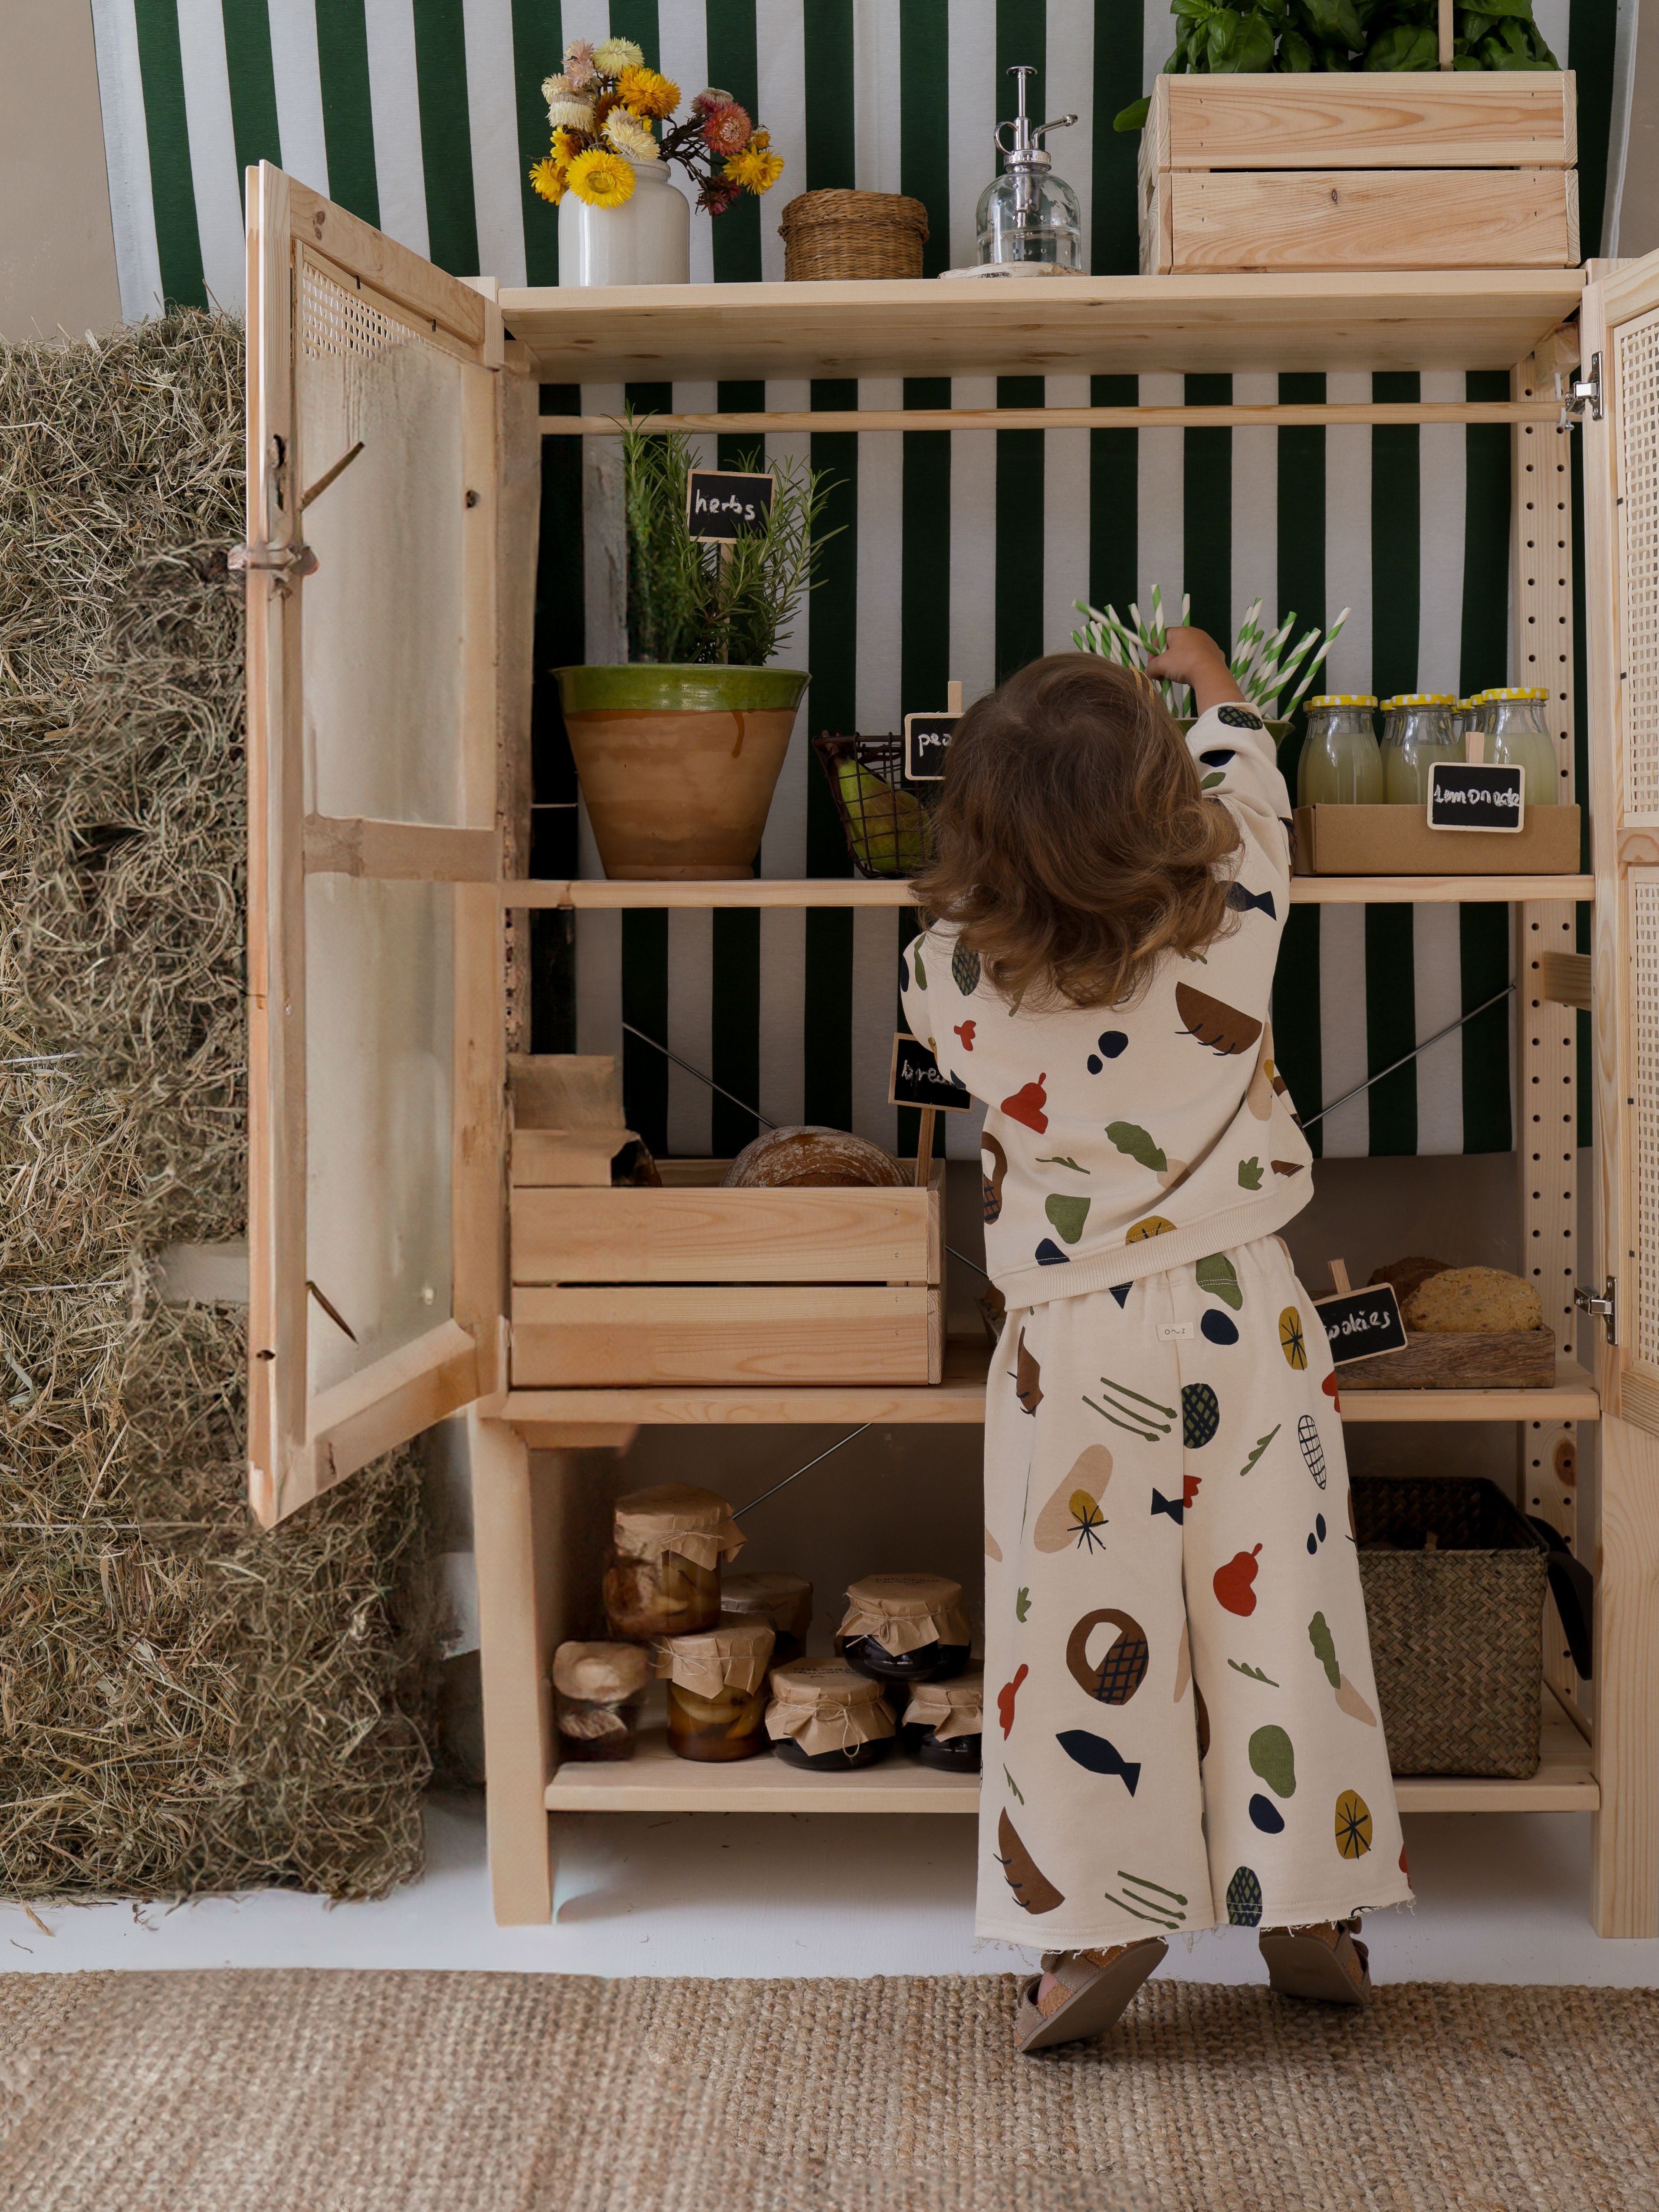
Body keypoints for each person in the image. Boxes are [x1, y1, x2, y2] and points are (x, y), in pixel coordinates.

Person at [900, 633, 1409, 2055]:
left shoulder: (948, 980)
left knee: (1075, 1637)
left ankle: (1096, 1924)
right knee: (1285, 1610)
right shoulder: (1240, 912)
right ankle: (1310, 1892)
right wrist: (1216, 692)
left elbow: (968, 940)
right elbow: (1257, 790)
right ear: (1166, 806)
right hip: (1249, 1310)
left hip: (1073, 1344)